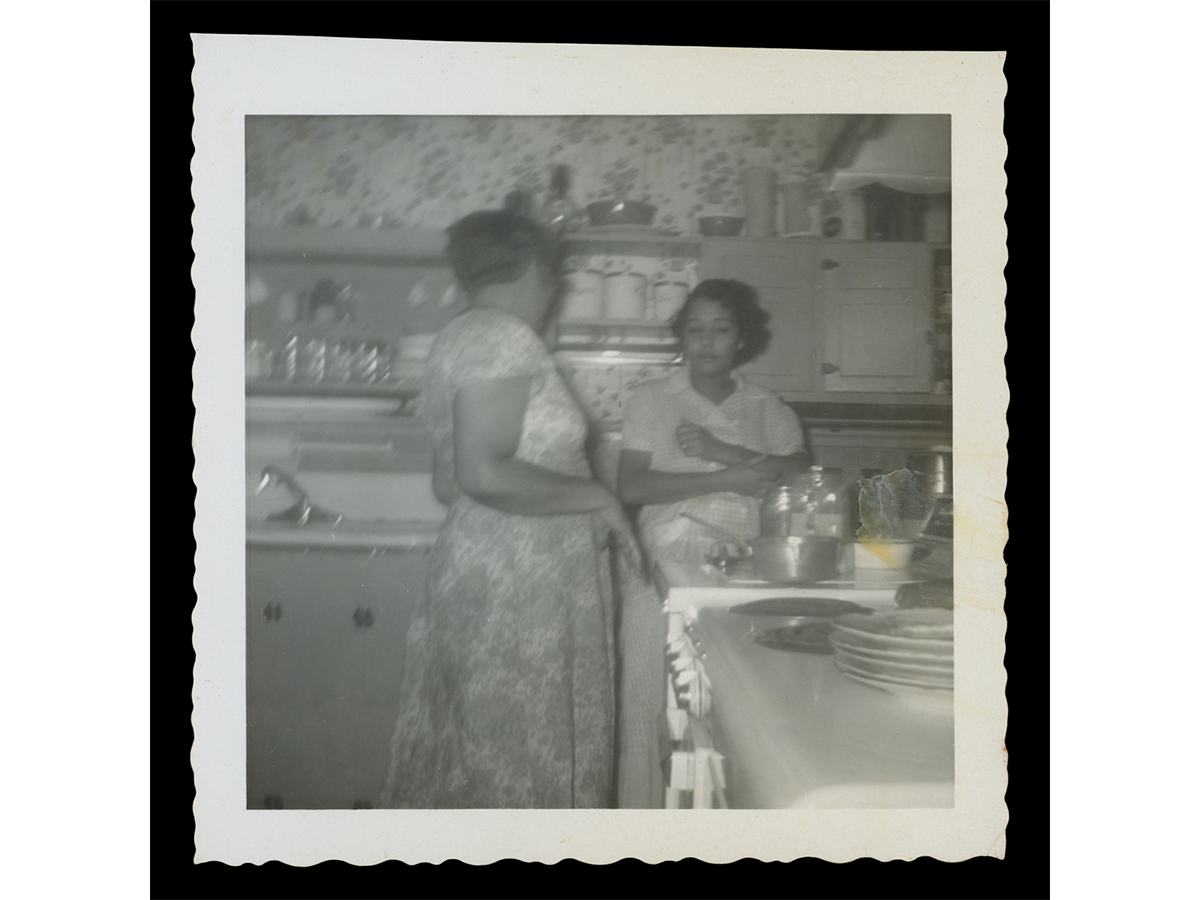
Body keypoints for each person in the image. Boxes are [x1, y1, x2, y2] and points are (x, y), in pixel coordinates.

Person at [380, 210, 644, 809]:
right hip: (520, 586)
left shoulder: (462, 335)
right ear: (533, 268)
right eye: (553, 278)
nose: (554, 294)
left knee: (484, 758)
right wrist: (597, 497)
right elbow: (482, 472)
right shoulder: (501, 336)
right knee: (522, 765)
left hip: (497, 571)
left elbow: (449, 485)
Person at [613, 278, 809, 807]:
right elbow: (631, 486)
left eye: (720, 330)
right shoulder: (651, 400)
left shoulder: (770, 409)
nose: (705, 342)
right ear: (682, 337)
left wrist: (724, 452)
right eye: (694, 330)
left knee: (733, 714)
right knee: (648, 705)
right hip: (663, 566)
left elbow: (799, 473)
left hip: (746, 574)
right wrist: (728, 478)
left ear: (741, 338)